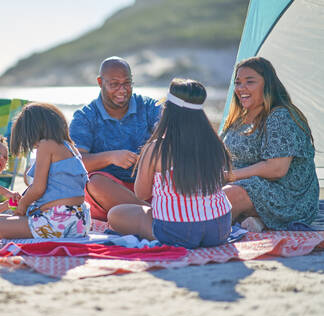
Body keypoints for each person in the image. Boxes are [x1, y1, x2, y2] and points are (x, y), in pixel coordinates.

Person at [107, 78, 232, 249]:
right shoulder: (214, 143)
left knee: (115, 214)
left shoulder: (157, 148)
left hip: (178, 231)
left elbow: (141, 194)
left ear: (168, 112)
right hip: (220, 228)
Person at [221, 56, 319, 231]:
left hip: (288, 196)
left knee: (227, 196)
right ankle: (252, 220)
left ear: (268, 84)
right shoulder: (238, 118)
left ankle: (195, 231)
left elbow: (276, 169)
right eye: (237, 83)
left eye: (249, 82)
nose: (241, 88)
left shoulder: (280, 116)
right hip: (248, 185)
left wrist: (232, 176)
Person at [69, 56, 161, 221]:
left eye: (127, 83)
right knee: (94, 183)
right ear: (100, 82)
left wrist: (150, 156)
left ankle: (149, 216)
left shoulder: (149, 107)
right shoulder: (85, 116)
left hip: (148, 186)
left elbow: (170, 135)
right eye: (114, 84)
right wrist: (111, 157)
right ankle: (156, 216)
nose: (122, 90)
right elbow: (74, 163)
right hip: (110, 195)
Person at [0, 102, 91, 239]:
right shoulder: (69, 146)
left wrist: (23, 205)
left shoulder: (46, 145)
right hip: (80, 221)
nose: (33, 146)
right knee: (1, 219)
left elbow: (38, 188)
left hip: (59, 219)